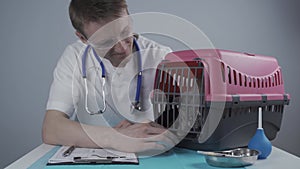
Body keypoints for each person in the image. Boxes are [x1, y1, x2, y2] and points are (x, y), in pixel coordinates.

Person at [42, 0, 178, 154]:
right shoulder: (74, 57)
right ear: (83, 38)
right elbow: (51, 128)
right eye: (107, 42)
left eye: (125, 31)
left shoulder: (162, 57)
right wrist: (116, 138)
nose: (122, 48)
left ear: (129, 16)